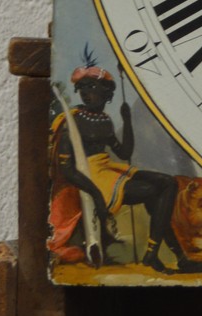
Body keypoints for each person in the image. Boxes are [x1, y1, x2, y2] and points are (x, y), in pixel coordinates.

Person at [48, 56, 187, 273]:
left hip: (108, 168)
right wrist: (94, 193)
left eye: (91, 86)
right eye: (82, 87)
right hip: (91, 176)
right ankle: (162, 254)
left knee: (168, 183)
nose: (85, 92)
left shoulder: (104, 120)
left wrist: (128, 121)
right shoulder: (73, 121)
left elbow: (124, 152)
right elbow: (68, 169)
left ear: (107, 92)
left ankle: (155, 254)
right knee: (154, 192)